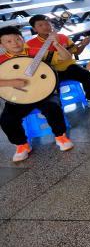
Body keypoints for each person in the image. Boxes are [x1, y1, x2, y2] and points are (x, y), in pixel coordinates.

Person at [0, 26, 74, 162]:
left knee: (53, 108)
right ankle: (22, 145)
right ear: (2, 45)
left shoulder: (36, 52)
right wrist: (11, 82)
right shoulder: (2, 59)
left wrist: (57, 45)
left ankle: (60, 136)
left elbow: (66, 57)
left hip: (44, 92)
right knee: (6, 119)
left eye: (17, 39)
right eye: (9, 41)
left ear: (23, 39)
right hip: (18, 96)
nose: (15, 43)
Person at [27, 15, 90, 110]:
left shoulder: (62, 37)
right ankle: (56, 107)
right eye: (40, 25)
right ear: (34, 29)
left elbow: (76, 51)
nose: (45, 27)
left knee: (87, 75)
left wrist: (84, 45)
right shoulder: (30, 44)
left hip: (69, 67)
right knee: (51, 89)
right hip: (49, 71)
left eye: (47, 24)